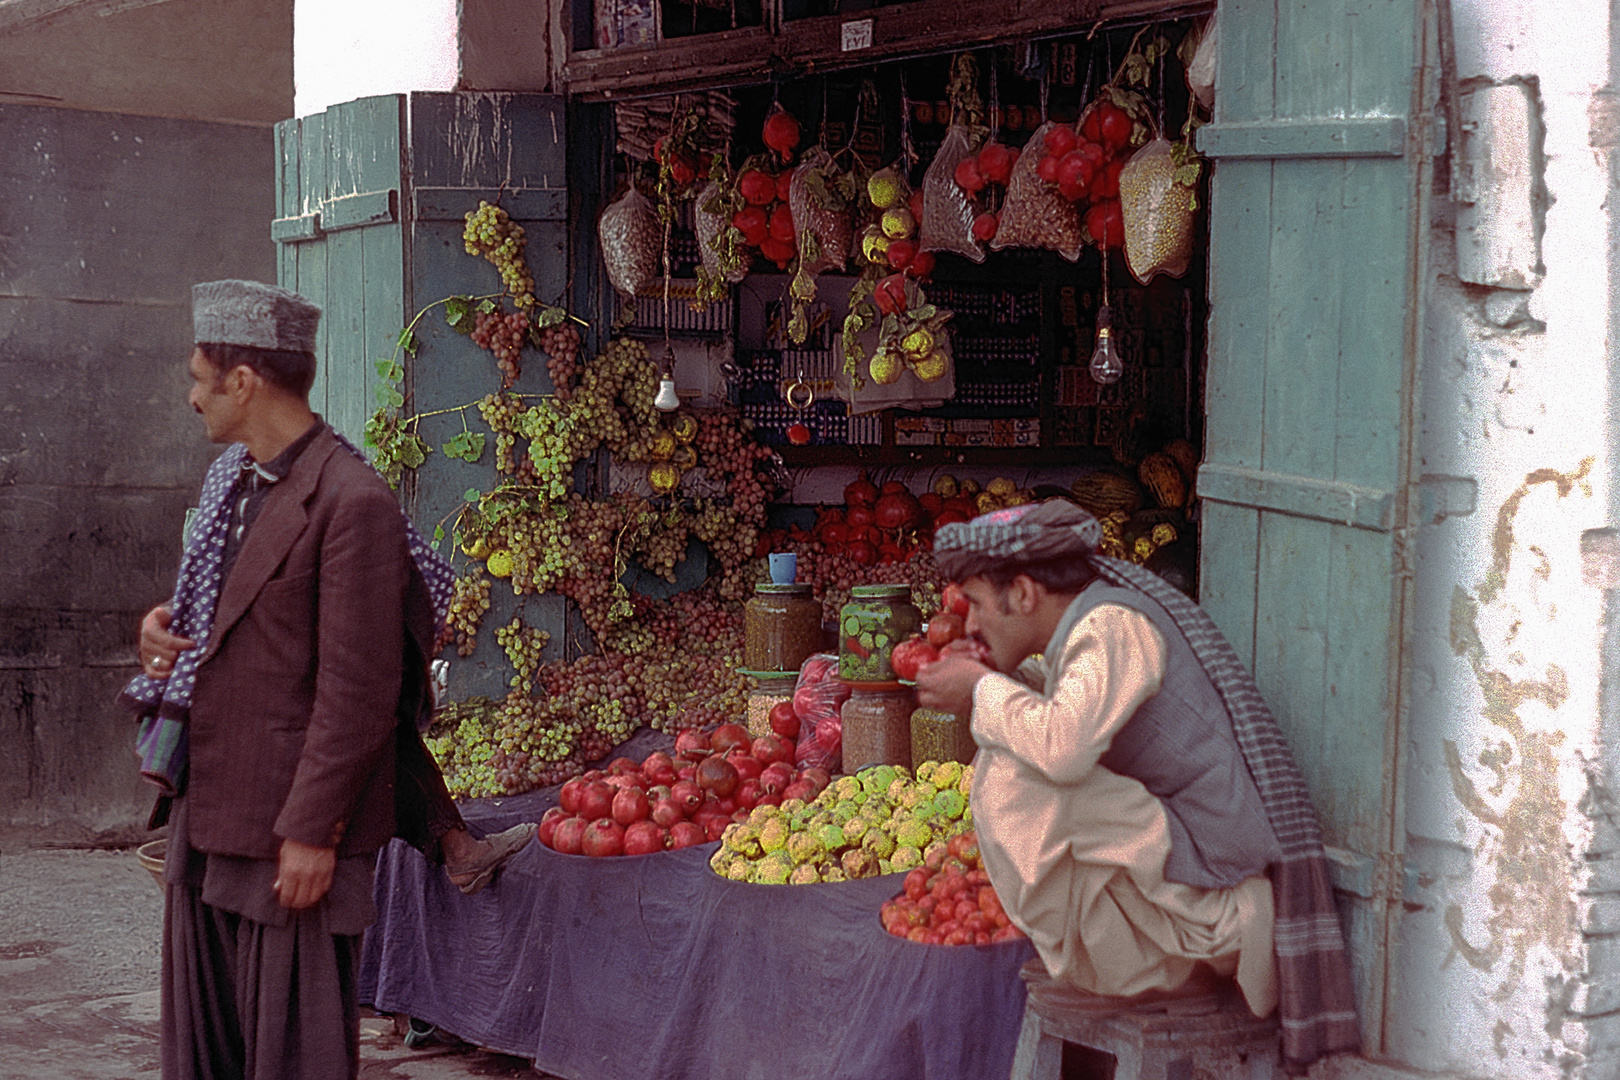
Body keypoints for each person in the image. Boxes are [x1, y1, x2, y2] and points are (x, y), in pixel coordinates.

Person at [120, 280, 530, 1079]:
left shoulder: (352, 503)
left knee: (291, 1057)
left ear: (244, 382)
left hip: (289, 839)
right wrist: (160, 631)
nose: (191, 396)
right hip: (211, 820)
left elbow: (359, 693)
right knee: (205, 1057)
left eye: (201, 378)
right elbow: (233, 614)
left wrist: (312, 832)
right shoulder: (236, 485)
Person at [915, 499, 1359, 1069]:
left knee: (1016, 776)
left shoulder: (1114, 628)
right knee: (1013, 754)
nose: (971, 623)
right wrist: (993, 681)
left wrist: (981, 689)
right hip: (1182, 858)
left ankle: (1200, 945)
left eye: (975, 603)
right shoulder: (1084, 631)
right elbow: (1058, 706)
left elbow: (1064, 746)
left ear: (1023, 594)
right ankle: (1138, 956)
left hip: (1215, 875)